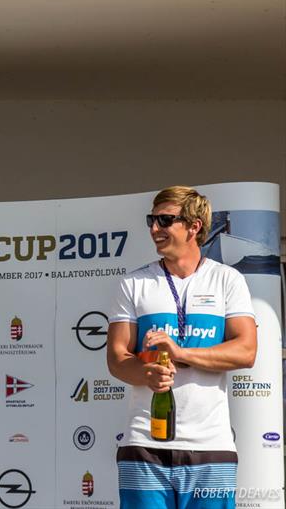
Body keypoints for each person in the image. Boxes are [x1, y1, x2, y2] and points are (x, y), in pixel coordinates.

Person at [106, 186, 257, 509]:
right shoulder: (133, 284)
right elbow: (118, 359)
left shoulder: (227, 280)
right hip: (144, 445)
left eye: (164, 220)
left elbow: (246, 351)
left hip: (211, 446)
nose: (154, 229)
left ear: (194, 227)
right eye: (152, 219)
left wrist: (181, 353)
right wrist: (145, 372)